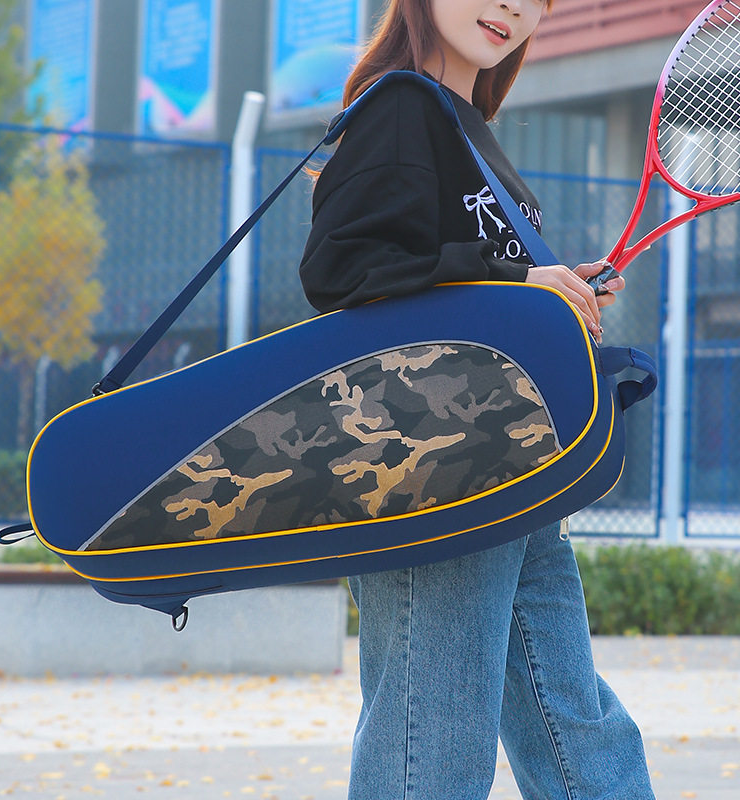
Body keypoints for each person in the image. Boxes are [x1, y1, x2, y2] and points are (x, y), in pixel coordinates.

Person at [298, 1, 657, 798]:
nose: (510, 6)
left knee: (577, 730)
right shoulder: (401, 106)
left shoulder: (466, 125)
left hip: (515, 474)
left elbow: (457, 278)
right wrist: (513, 279)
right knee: (433, 749)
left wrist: (547, 290)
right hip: (434, 478)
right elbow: (343, 271)